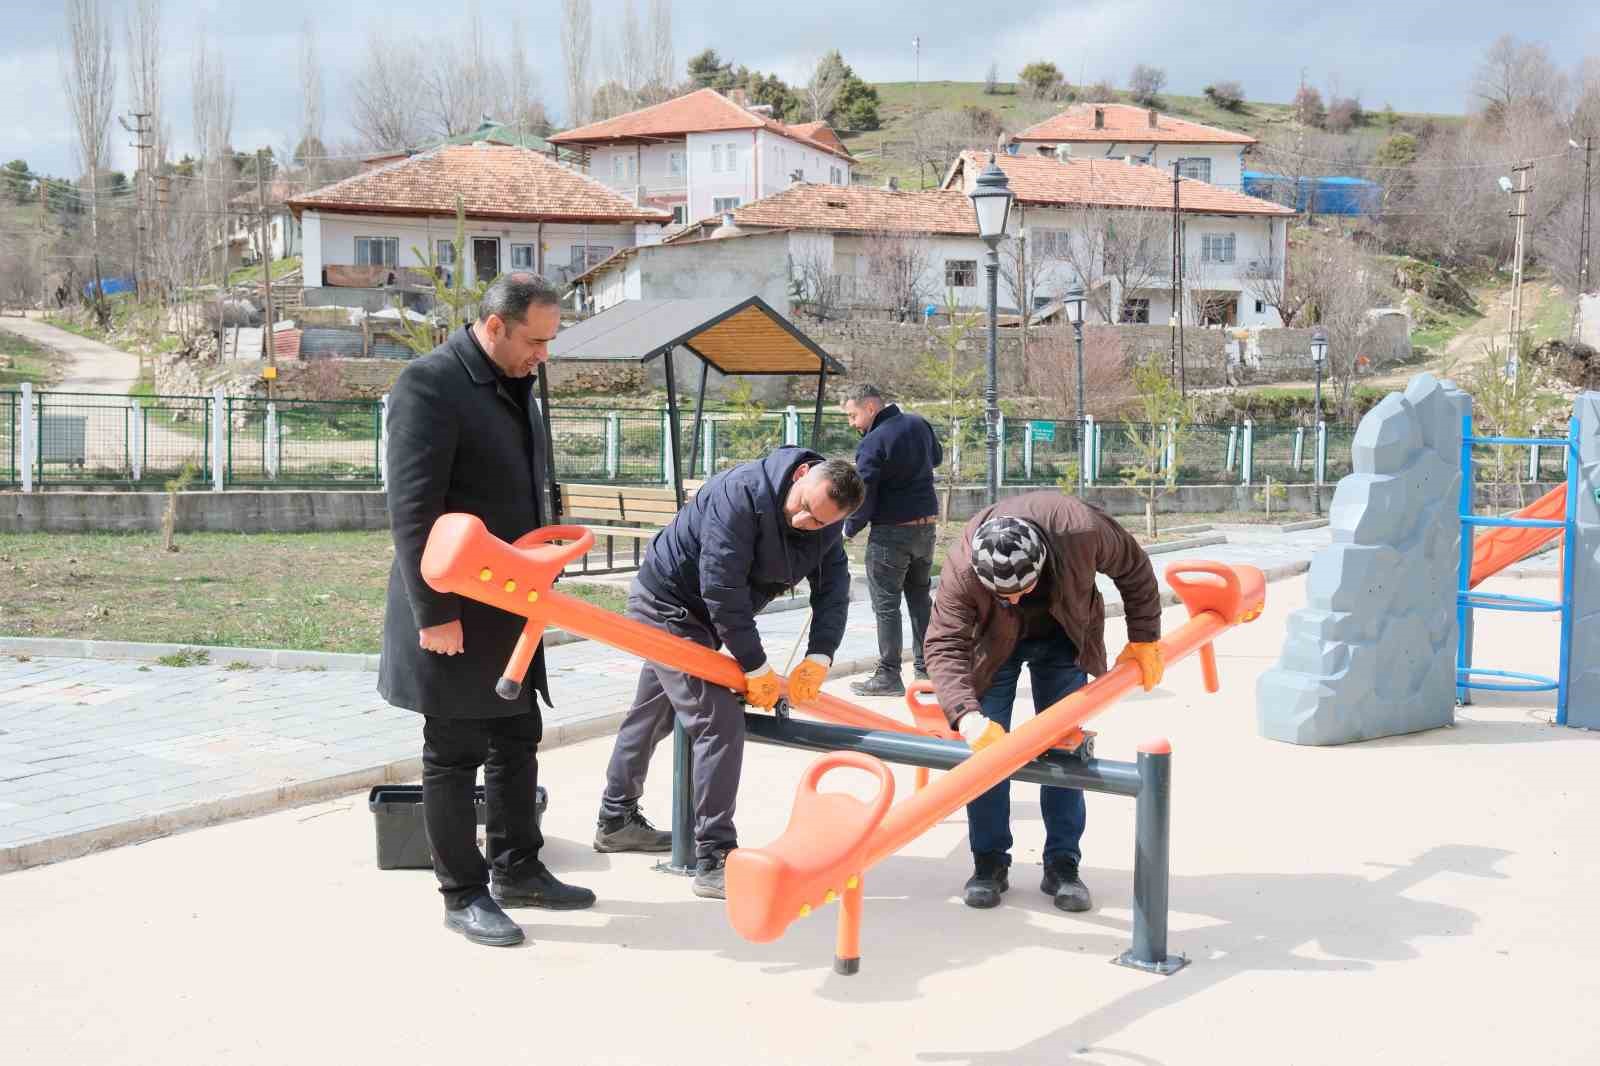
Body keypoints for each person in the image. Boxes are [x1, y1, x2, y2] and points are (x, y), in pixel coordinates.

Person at [379, 272, 594, 948]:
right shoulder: (431, 384)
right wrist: (433, 611)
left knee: (516, 738)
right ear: (494, 326)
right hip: (455, 606)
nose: (544, 355)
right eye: (536, 340)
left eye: (551, 341)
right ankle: (463, 892)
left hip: (512, 603)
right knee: (453, 751)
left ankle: (519, 868)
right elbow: (413, 512)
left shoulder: (515, 382)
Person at [595, 448, 864, 899]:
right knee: (718, 719)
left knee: (654, 713)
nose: (804, 523)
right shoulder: (739, 494)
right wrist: (755, 666)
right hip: (667, 605)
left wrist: (820, 656)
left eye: (818, 522)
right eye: (803, 508)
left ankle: (615, 819)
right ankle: (715, 855)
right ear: (800, 475)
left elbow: (834, 590)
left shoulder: (827, 523)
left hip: (704, 617)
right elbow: (721, 588)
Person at [923, 492, 1165, 913]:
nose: (1014, 599)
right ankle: (989, 863)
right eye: (1003, 594)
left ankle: (1063, 865)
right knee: (986, 755)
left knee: (1064, 749)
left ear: (1043, 564)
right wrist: (966, 715)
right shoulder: (963, 567)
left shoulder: (1081, 531)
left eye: (1023, 589)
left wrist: (1144, 639)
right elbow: (943, 643)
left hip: (1062, 634)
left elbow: (1135, 569)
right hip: (993, 645)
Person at [838, 384, 943, 698]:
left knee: (886, 606)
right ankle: (927, 671)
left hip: (891, 534)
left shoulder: (873, 442)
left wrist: (848, 529)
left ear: (871, 408)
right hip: (925, 530)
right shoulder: (918, 423)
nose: (852, 423)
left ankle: (888, 676)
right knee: (920, 600)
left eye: (853, 415)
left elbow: (864, 493)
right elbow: (936, 458)